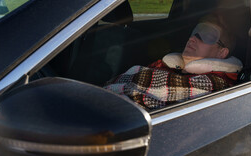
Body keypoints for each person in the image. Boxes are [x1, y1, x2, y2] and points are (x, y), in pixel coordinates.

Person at [104, 13, 243, 110]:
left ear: (221, 53)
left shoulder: (215, 86)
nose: (192, 38)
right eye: (195, 32)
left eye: (206, 35)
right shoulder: (165, 65)